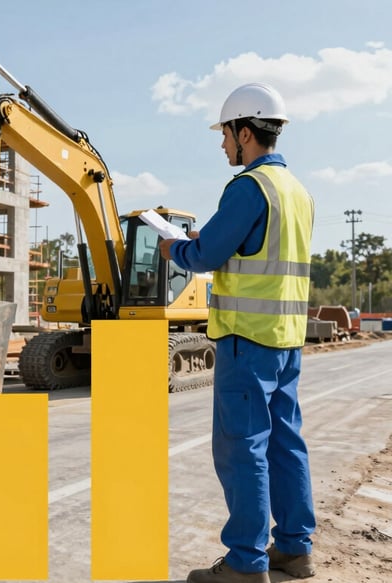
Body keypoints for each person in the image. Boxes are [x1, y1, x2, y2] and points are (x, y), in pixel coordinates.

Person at [159, 83, 317, 583]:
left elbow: (205, 255)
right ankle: (295, 550)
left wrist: (175, 251)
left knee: (242, 446)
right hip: (286, 338)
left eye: (226, 134)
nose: (223, 144)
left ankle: (246, 565)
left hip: (245, 340)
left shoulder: (249, 188)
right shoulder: (298, 192)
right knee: (285, 443)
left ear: (245, 132)